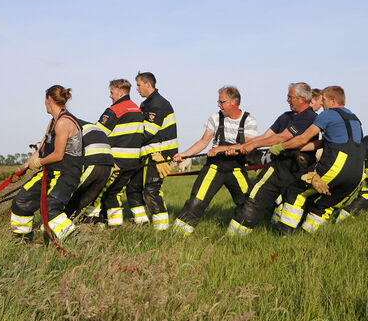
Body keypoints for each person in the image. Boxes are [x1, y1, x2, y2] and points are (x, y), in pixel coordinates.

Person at [269, 85, 365, 234]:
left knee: (295, 191)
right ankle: (305, 235)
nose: (321, 104)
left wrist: (281, 146)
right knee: (324, 205)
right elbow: (322, 143)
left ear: (333, 101)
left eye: (324, 100)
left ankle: (283, 233)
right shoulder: (354, 118)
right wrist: (295, 149)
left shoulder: (328, 114)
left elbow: (303, 137)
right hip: (357, 172)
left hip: (337, 164)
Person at [225, 82, 318, 235]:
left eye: (290, 97)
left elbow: (282, 137)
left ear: (302, 98)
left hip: (298, 168)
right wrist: (240, 147)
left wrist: (250, 147)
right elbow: (266, 136)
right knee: (255, 196)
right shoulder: (285, 116)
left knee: (291, 205)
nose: (287, 100)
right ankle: (233, 236)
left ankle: (284, 237)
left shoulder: (310, 117)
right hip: (278, 165)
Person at [172, 86, 258, 235]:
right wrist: (184, 154)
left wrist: (221, 148)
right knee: (196, 202)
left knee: (247, 204)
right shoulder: (215, 118)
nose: (218, 105)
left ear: (233, 103)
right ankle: (178, 235)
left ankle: (236, 236)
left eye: (221, 101)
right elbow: (203, 142)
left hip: (236, 168)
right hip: (214, 168)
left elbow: (248, 146)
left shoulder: (249, 121)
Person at [10, 85, 83, 241]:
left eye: (45, 99)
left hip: (65, 174)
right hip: (49, 172)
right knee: (21, 201)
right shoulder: (53, 123)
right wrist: (23, 168)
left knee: (50, 209)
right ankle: (21, 241)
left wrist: (39, 162)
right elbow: (41, 149)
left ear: (49, 99)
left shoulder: (64, 123)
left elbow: (58, 154)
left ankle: (74, 240)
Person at [125, 72, 178, 230]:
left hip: (157, 155)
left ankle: (161, 230)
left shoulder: (157, 104)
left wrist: (126, 143)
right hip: (147, 155)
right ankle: (143, 225)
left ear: (148, 84)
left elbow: (148, 131)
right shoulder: (147, 104)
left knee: (151, 189)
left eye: (139, 85)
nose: (137, 89)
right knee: (132, 188)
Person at [97, 79, 145, 226]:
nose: (110, 96)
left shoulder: (114, 110)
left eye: (112, 92)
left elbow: (97, 133)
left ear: (121, 92)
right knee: (115, 193)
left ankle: (99, 224)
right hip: (133, 162)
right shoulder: (138, 110)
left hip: (115, 161)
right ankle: (116, 227)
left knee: (101, 193)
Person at [63, 118, 115, 220]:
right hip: (108, 165)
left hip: (93, 162)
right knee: (83, 200)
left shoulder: (65, 126)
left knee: (68, 196)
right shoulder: (89, 126)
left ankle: (55, 227)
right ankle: (72, 223)